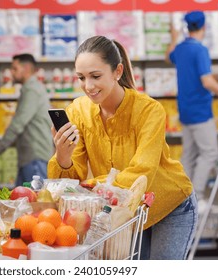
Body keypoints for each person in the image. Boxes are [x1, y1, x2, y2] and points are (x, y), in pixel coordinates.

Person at [47, 35, 197, 260]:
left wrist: (91, 186)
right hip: (128, 212)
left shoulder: (148, 110)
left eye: (96, 76)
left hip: (170, 206)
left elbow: (141, 173)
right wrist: (63, 156)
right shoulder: (78, 111)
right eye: (81, 77)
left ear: (117, 72)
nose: (88, 86)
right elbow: (70, 181)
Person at [165, 11, 218, 214]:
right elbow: (207, 81)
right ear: (204, 27)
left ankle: (184, 200)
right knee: (210, 152)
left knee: (189, 155)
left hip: (185, 111)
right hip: (200, 112)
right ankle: (197, 197)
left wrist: (174, 37)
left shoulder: (181, 48)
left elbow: (168, 56)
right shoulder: (199, 50)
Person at [0, 53, 53, 186]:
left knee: (35, 202)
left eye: (14, 69)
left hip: (35, 156)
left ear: (26, 69)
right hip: (31, 156)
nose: (12, 73)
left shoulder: (31, 90)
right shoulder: (34, 88)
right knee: (23, 201)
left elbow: (18, 123)